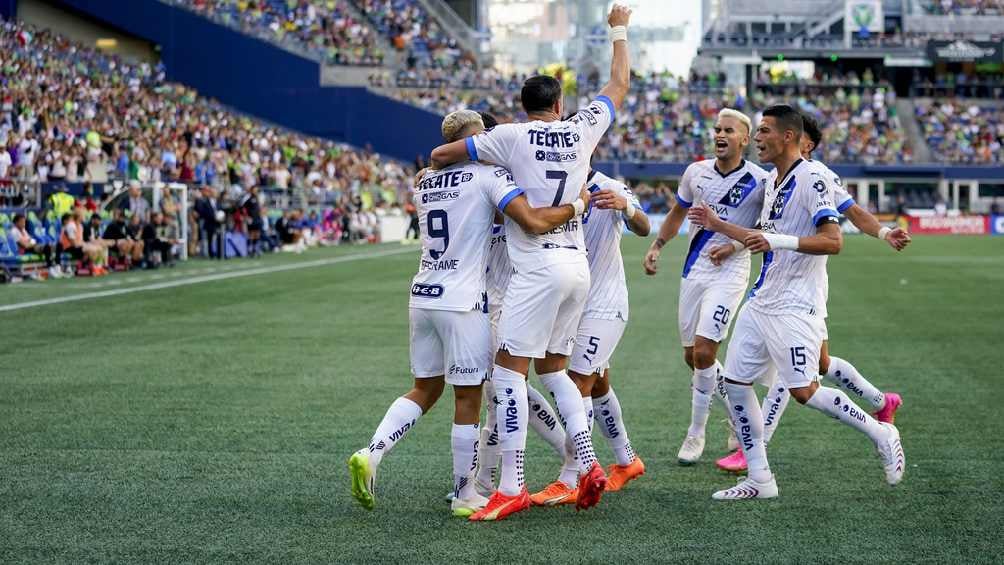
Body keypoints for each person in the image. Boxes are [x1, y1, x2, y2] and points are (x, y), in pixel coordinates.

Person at [429, 4, 633, 520]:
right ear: (561, 103)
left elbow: (443, 155)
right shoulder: (583, 127)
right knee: (556, 368)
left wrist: (469, 159)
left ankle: (512, 484)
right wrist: (618, 30)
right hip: (577, 267)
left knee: (507, 374)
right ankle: (587, 464)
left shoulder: (510, 137)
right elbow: (619, 85)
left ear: (522, 106)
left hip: (537, 267)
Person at [348, 110, 594, 518]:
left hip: (423, 295)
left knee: (425, 389)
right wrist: (578, 203)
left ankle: (372, 453)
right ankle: (466, 493)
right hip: (463, 302)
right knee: (469, 398)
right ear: (475, 141)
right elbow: (531, 220)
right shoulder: (488, 178)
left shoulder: (425, 182)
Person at [687, 104, 905, 500]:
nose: (757, 138)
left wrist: (882, 231)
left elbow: (833, 240)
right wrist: (724, 231)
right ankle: (760, 479)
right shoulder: (773, 181)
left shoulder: (814, 177)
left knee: (804, 390)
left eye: (764, 131)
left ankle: (881, 431)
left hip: (795, 305)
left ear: (789, 136)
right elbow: (767, 233)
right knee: (735, 385)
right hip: (762, 299)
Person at [642, 109, 769, 464]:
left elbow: (766, 228)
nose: (720, 135)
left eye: (729, 130)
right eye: (717, 129)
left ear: (745, 139)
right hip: (694, 270)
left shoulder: (760, 180)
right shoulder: (695, 173)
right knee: (693, 357)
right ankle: (737, 411)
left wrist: (735, 245)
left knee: (703, 352)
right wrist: (657, 245)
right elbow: (677, 213)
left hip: (731, 272)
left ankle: (695, 435)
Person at [531, 168, 651, 506]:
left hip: (604, 305)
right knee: (598, 385)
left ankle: (572, 476)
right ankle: (627, 461)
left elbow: (643, 226)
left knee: (577, 381)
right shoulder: (551, 186)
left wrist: (625, 206)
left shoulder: (609, 186)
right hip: (570, 304)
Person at [10, 213, 58, 278]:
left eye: (24, 222)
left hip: (31, 247)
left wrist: (30, 243)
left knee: (52, 247)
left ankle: (55, 266)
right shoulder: (14, 232)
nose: (23, 224)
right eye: (21, 222)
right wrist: (30, 243)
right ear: (16, 222)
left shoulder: (23, 230)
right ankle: (50, 268)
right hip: (23, 250)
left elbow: (32, 240)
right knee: (46, 248)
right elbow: (24, 245)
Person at [239, 186, 263, 257]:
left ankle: (256, 249)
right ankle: (250, 249)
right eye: (254, 190)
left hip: (257, 219)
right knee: (251, 234)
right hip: (251, 219)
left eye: (256, 190)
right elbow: (242, 208)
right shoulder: (248, 199)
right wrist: (246, 216)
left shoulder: (257, 198)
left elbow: (259, 208)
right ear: (251, 191)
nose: (256, 192)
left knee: (257, 234)